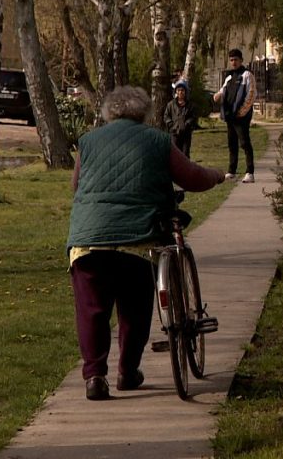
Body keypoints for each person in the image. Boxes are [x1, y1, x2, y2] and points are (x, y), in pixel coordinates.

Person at [66, 85, 226, 401]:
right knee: (135, 308)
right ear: (144, 112)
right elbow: (192, 177)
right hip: (138, 239)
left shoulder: (88, 142)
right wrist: (217, 175)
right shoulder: (157, 141)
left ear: (108, 113)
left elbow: (76, 188)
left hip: (88, 240)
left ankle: (95, 376)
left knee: (91, 310)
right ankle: (127, 371)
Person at [213, 48, 256, 183]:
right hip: (229, 116)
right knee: (232, 143)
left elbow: (251, 94)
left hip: (241, 116)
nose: (233, 62)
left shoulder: (247, 75)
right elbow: (222, 91)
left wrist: (243, 111)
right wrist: (217, 96)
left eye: (236, 60)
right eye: (231, 60)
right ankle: (232, 171)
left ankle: (250, 172)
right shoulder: (229, 77)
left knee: (244, 142)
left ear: (241, 60)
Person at [163, 79, 197, 157]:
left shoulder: (190, 105)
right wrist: (171, 124)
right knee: (175, 155)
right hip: (174, 134)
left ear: (185, 92)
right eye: (178, 90)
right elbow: (166, 116)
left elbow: (193, 117)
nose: (180, 92)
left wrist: (187, 124)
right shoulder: (171, 105)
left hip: (186, 134)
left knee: (185, 155)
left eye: (182, 90)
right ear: (176, 92)